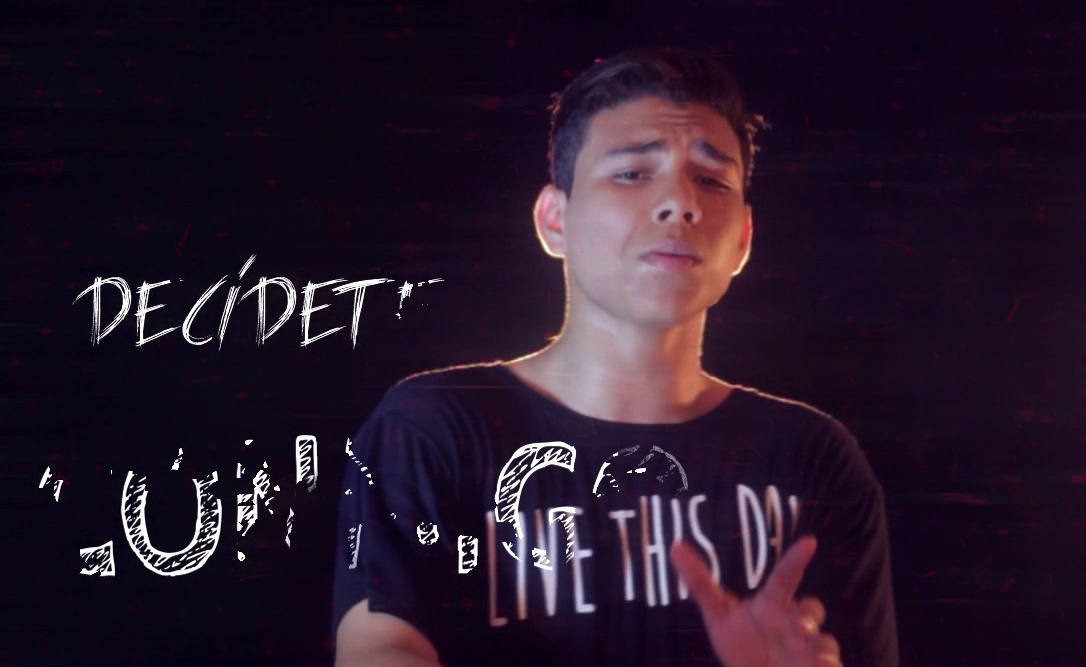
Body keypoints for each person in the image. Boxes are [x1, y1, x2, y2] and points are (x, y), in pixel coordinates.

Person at [331, 47, 899, 667]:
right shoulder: (434, 427)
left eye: (712, 180)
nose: (681, 203)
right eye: (632, 173)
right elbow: (379, 649)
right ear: (555, 220)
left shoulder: (813, 459)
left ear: (742, 238)